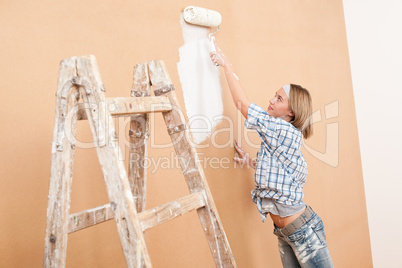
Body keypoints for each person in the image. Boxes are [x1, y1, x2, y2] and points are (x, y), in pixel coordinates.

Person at [210, 39, 334, 268]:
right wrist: (250, 161)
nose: (271, 100)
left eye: (279, 99)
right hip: (285, 232)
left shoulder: (283, 130)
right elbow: (283, 171)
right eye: (274, 95)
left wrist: (227, 66)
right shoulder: (279, 136)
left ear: (291, 112)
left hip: (304, 232)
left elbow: (241, 104)